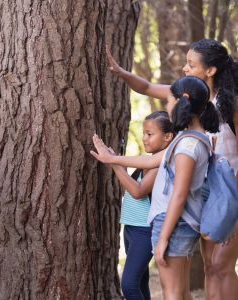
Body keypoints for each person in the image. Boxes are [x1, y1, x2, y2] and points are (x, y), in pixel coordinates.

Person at [106, 39, 238, 300]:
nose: (185, 69)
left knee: (222, 266)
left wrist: (233, 205)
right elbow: (145, 86)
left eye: (191, 64)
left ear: (210, 70)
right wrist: (121, 73)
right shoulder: (191, 98)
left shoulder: (231, 104)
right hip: (205, 194)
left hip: (230, 193)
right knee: (211, 266)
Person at [91, 76, 220, 300]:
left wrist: (162, 239)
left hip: (174, 224)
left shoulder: (187, 146)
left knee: (172, 293)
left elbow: (179, 196)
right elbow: (149, 161)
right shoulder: (190, 139)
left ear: (181, 101)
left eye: (169, 100)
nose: (167, 105)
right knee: (179, 291)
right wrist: (113, 159)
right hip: (174, 223)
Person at [109, 111, 174, 299]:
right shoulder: (147, 162)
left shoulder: (158, 165)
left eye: (150, 134)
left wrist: (114, 162)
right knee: (140, 282)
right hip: (132, 229)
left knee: (128, 285)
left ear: (168, 137)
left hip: (145, 231)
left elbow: (137, 192)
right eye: (144, 133)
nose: (144, 138)